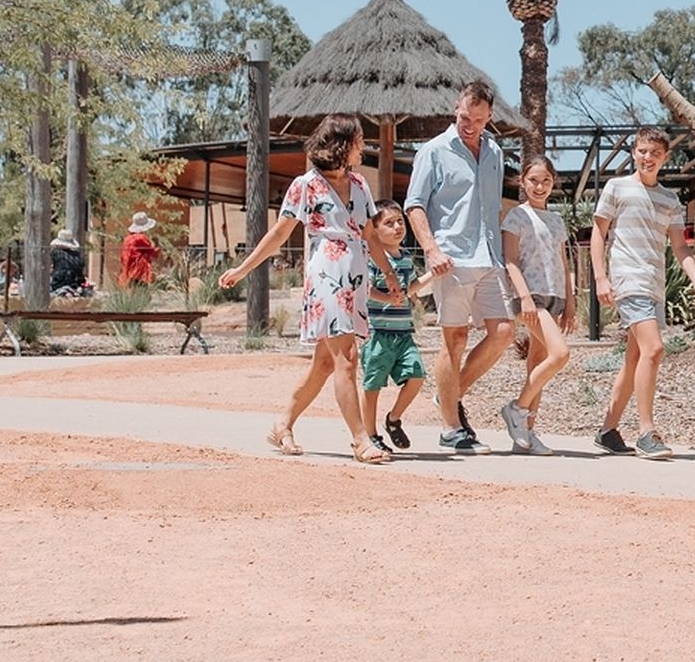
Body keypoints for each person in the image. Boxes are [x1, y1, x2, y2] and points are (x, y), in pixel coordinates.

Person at [220, 113, 406, 464]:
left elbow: (368, 235)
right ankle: (360, 440)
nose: (362, 148)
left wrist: (389, 274)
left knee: (324, 364)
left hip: (355, 276)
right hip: (326, 276)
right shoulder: (305, 185)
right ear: (342, 145)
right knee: (346, 359)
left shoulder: (361, 185)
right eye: (358, 142)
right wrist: (243, 269)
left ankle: (282, 424)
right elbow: (279, 234)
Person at [403, 79, 515, 452]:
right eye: (466, 117)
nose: (470, 125)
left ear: (490, 117)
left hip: (489, 257)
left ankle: (448, 395)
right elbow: (414, 204)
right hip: (451, 259)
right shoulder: (433, 152)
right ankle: (452, 428)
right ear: (456, 107)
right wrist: (431, 250)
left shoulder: (495, 152)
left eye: (479, 120)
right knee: (455, 339)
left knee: (502, 332)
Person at [591, 126, 695, 460]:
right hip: (628, 279)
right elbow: (599, 235)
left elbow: (680, 248)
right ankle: (646, 431)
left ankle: (608, 431)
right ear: (634, 152)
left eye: (655, 153)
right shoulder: (617, 188)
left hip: (654, 284)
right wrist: (601, 277)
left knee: (635, 359)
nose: (648, 158)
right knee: (654, 350)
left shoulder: (670, 199)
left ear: (665, 158)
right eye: (643, 151)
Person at [498, 155, 572, 455]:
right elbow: (510, 260)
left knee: (537, 362)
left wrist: (571, 302)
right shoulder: (516, 216)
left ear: (553, 182)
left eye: (545, 180)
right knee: (560, 354)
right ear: (522, 182)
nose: (539, 186)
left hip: (555, 297)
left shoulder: (556, 220)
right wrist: (524, 296)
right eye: (533, 180)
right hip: (530, 298)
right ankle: (517, 408)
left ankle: (526, 432)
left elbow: (564, 264)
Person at [359, 204, 432, 457]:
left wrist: (434, 274)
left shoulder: (406, 258)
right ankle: (370, 434)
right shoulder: (371, 258)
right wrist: (387, 299)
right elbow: (364, 289)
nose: (398, 227)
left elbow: (409, 289)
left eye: (400, 221)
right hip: (377, 333)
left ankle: (393, 418)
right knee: (372, 385)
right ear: (375, 230)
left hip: (404, 333)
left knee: (417, 376)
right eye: (389, 223)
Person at [119, 212, 162, 286]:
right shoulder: (141, 238)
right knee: (142, 293)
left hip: (128, 271)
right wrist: (157, 244)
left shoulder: (128, 239)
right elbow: (153, 253)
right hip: (139, 272)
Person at [50, 233, 92, 297]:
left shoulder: (56, 253)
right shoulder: (77, 255)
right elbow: (81, 277)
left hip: (58, 283)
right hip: (75, 283)